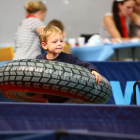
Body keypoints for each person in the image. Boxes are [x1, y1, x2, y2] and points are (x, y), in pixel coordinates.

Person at [36, 26, 102, 103]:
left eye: (61, 41)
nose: (59, 44)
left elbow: (86, 65)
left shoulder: (69, 58)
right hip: (49, 99)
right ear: (44, 45)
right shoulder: (40, 60)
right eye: (55, 42)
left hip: (67, 99)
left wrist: (93, 70)